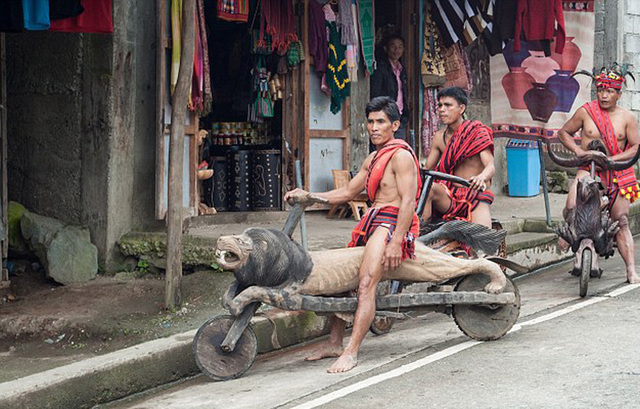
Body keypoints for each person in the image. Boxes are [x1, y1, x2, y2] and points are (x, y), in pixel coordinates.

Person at [284, 96, 421, 373]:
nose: (374, 127)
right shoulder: (373, 157)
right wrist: (309, 196)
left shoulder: (402, 156)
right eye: (370, 122)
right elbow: (347, 193)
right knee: (343, 281)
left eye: (381, 121)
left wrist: (396, 241)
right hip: (371, 223)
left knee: (366, 282)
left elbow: (408, 201)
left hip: (390, 225)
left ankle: (351, 351)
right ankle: (334, 342)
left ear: (394, 125)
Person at [557, 65, 640, 284]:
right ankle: (568, 234)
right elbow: (564, 132)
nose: (604, 94)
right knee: (571, 206)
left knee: (621, 220)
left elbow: (635, 147)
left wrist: (614, 159)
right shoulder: (586, 111)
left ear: (619, 94)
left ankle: (631, 269)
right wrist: (579, 152)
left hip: (616, 173)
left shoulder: (628, 117)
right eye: (601, 89)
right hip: (588, 168)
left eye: (610, 91)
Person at [421, 87, 495, 228]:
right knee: (428, 189)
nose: (442, 110)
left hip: (475, 195)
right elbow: (427, 171)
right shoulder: (438, 137)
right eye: (440, 105)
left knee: (482, 242)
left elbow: (490, 166)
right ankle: (419, 233)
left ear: (461, 108)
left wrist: (481, 178)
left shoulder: (477, 132)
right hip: (449, 195)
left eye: (448, 105)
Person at [370, 34, 409, 144]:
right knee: (383, 149)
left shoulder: (402, 69)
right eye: (393, 46)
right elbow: (375, 93)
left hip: (399, 116)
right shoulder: (381, 68)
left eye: (400, 47)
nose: (397, 50)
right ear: (386, 48)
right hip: (384, 115)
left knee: (398, 149)